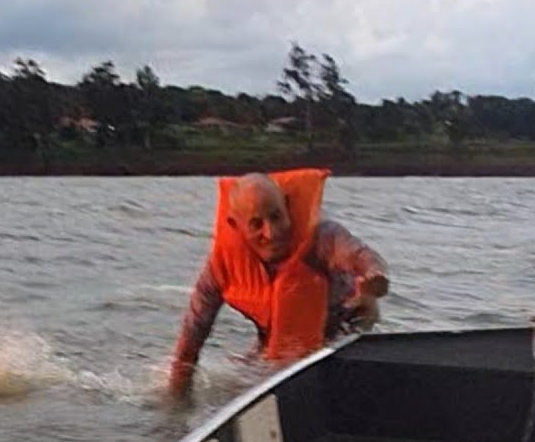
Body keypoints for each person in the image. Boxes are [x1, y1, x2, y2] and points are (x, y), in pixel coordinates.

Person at [167, 168, 389, 399]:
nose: (271, 233)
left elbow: (361, 256)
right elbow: (190, 342)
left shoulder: (324, 238)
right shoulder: (222, 267)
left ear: (286, 207)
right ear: (236, 225)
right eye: (256, 224)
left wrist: (375, 276)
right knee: (236, 387)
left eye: (276, 216)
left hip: (347, 329)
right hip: (277, 344)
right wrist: (176, 405)